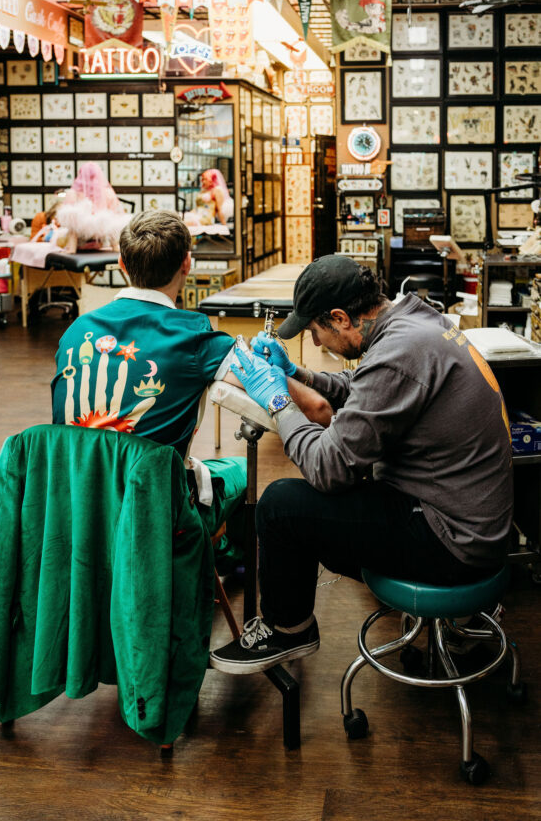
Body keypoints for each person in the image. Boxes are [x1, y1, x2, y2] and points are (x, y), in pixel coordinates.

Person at [209, 255, 513, 674]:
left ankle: (289, 630)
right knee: (340, 485)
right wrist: (297, 373)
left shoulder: (399, 353)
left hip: (454, 543)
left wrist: (278, 401)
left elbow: (327, 468)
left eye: (316, 333)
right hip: (473, 519)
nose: (316, 344)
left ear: (341, 318)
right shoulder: (415, 321)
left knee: (281, 506)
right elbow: (365, 387)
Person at [51, 210, 248, 567]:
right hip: (156, 508)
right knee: (241, 470)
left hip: (78, 502)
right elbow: (256, 382)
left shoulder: (76, 331)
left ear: (122, 263)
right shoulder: (194, 336)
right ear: (187, 264)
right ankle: (225, 561)